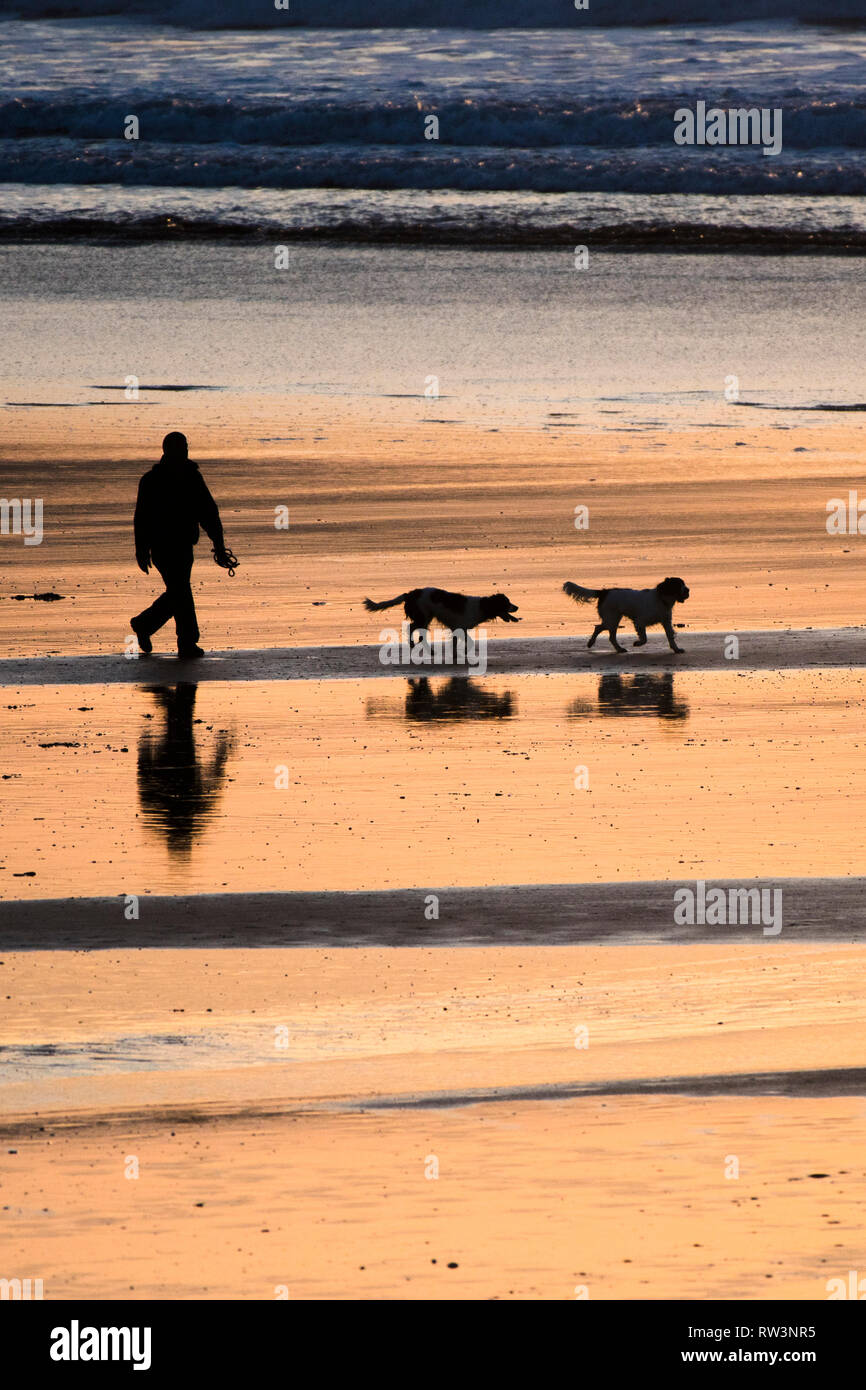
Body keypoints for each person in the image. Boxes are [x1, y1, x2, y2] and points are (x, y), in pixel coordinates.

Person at [130, 432, 234, 658]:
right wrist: (141, 549)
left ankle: (145, 625)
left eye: (186, 446)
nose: (185, 450)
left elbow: (208, 513)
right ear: (169, 450)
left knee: (178, 592)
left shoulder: (191, 477)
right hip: (162, 547)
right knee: (181, 592)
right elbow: (142, 517)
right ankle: (185, 641)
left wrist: (219, 544)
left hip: (183, 545)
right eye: (181, 447)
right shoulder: (153, 481)